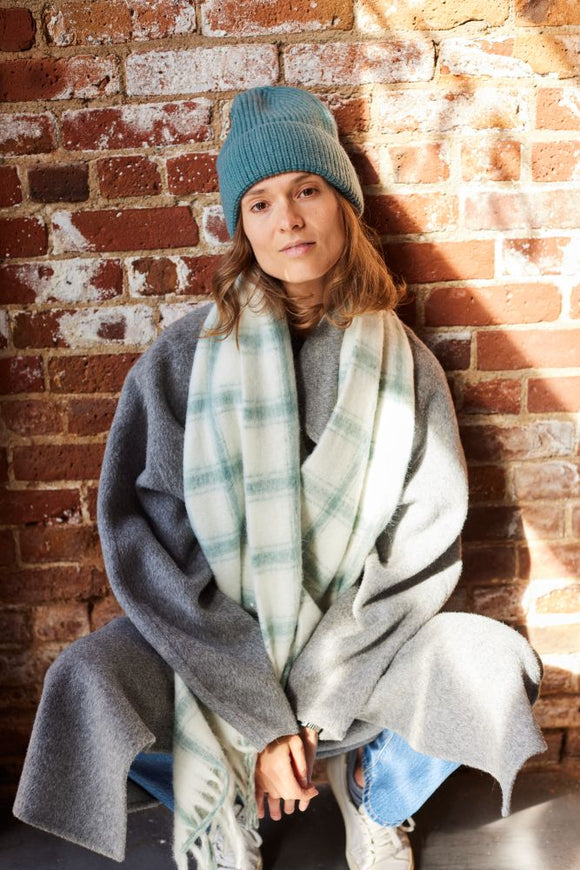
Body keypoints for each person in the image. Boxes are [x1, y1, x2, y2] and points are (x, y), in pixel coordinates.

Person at [14, 86, 545, 870]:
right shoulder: (180, 361)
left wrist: (318, 704)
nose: (287, 219)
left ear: (344, 207)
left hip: (358, 656)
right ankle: (220, 801)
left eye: (306, 191)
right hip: (219, 655)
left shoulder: (406, 368)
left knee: (496, 664)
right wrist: (259, 713)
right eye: (259, 203)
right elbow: (149, 552)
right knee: (86, 682)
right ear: (243, 227)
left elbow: (416, 557)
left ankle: (369, 789)